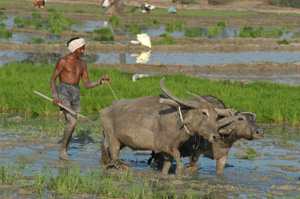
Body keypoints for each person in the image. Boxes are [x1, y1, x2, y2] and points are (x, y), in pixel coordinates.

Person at [50, 37, 110, 161]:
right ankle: (62, 150)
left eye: (83, 48)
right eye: (80, 49)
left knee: (70, 123)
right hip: (63, 91)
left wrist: (100, 82)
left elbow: (86, 84)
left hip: (75, 92)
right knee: (72, 121)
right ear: (74, 49)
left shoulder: (82, 64)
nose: (83, 51)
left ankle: (65, 150)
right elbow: (52, 79)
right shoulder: (63, 61)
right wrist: (55, 97)